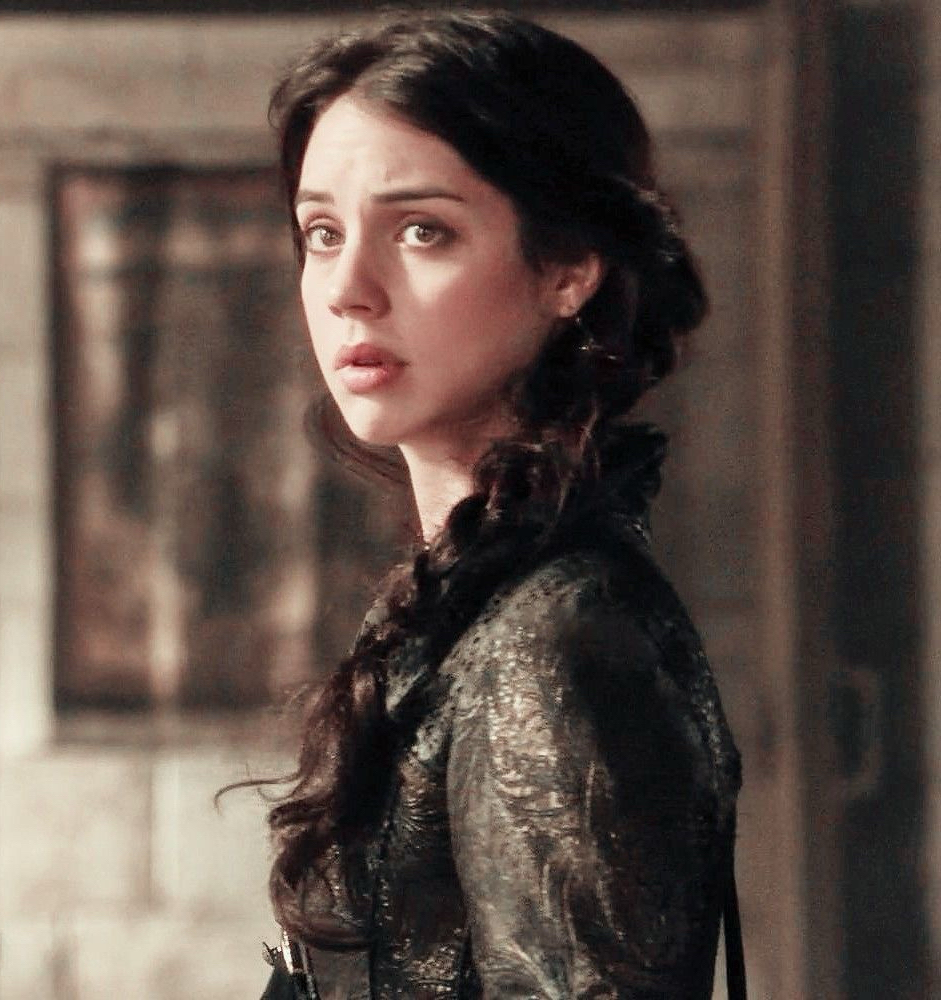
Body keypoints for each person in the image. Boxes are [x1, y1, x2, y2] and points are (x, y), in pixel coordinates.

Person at [258, 12, 743, 1000]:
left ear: (567, 268)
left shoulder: (557, 635)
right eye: (322, 233)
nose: (347, 288)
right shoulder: (470, 599)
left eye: (421, 230)